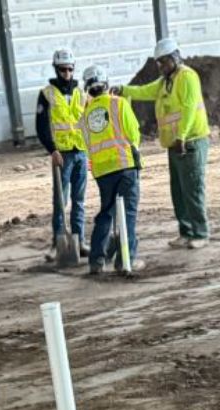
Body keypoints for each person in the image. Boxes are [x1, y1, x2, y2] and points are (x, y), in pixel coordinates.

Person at [122, 37, 211, 248]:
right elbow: (145, 91)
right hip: (174, 145)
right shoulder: (165, 82)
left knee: (193, 189)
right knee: (179, 191)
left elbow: (189, 108)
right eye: (158, 63)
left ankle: (200, 233)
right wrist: (124, 90)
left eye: (164, 62)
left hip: (190, 142)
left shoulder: (187, 77)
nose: (160, 66)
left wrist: (181, 136)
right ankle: (186, 231)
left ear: (175, 58)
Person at [79, 65, 143, 276]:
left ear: (88, 88)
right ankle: (126, 260)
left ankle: (96, 261)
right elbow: (133, 134)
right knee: (128, 214)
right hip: (124, 166)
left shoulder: (86, 114)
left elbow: (86, 143)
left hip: (102, 171)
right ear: (106, 83)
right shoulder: (119, 104)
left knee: (106, 213)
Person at [35, 48, 88, 260]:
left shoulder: (81, 93)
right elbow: (41, 126)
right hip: (61, 154)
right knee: (60, 200)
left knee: (79, 200)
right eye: (62, 69)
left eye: (70, 69)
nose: (67, 73)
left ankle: (79, 240)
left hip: (80, 152)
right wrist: (52, 150)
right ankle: (58, 242)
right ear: (56, 69)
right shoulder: (47, 93)